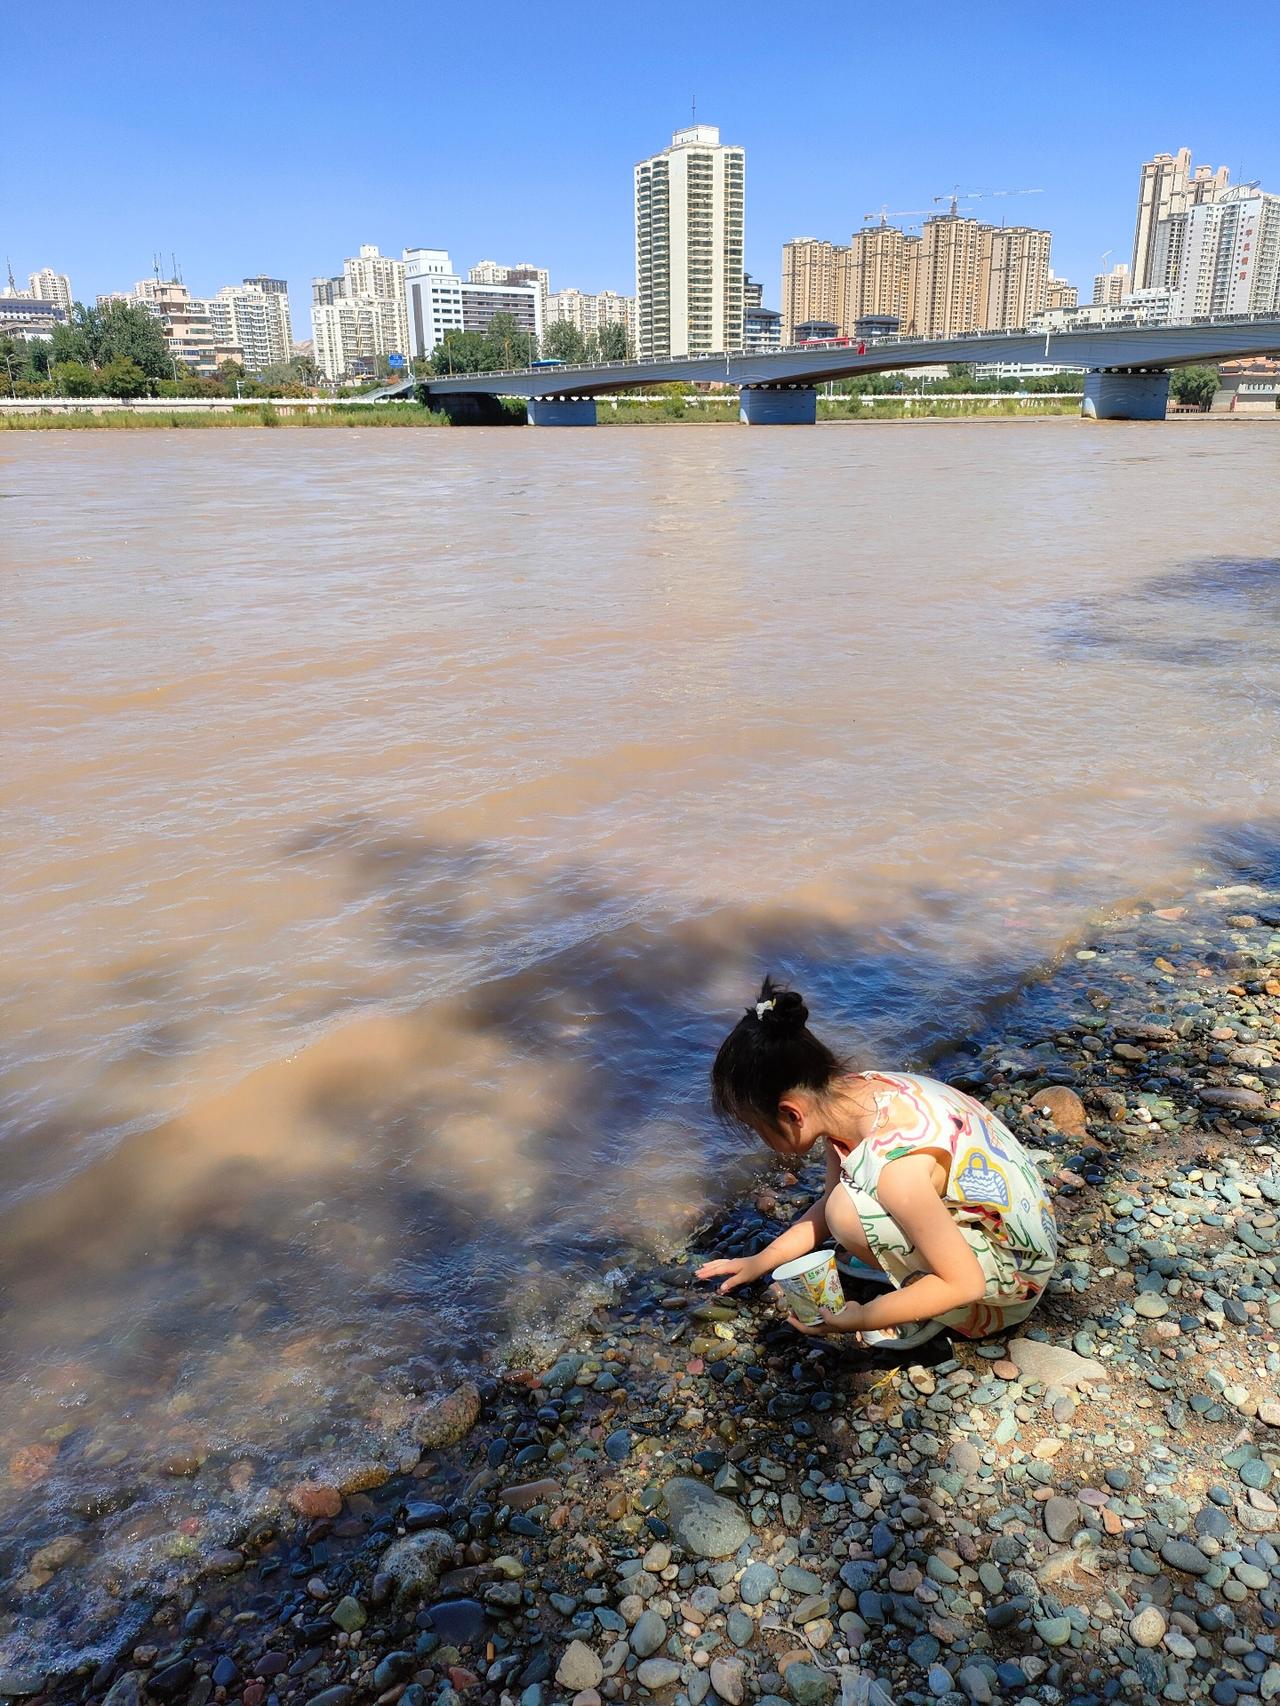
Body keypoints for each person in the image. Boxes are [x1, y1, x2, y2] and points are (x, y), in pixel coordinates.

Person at [696, 978, 1057, 1348]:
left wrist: (866, 1316)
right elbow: (827, 1203)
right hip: (1020, 1226)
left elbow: (966, 1284)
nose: (760, 1140)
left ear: (791, 1114)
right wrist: (762, 1260)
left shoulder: (896, 1171)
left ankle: (924, 1303)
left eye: (756, 1128)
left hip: (1012, 1284)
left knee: (847, 1215)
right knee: (841, 1205)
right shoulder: (856, 1094)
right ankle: (914, 1264)